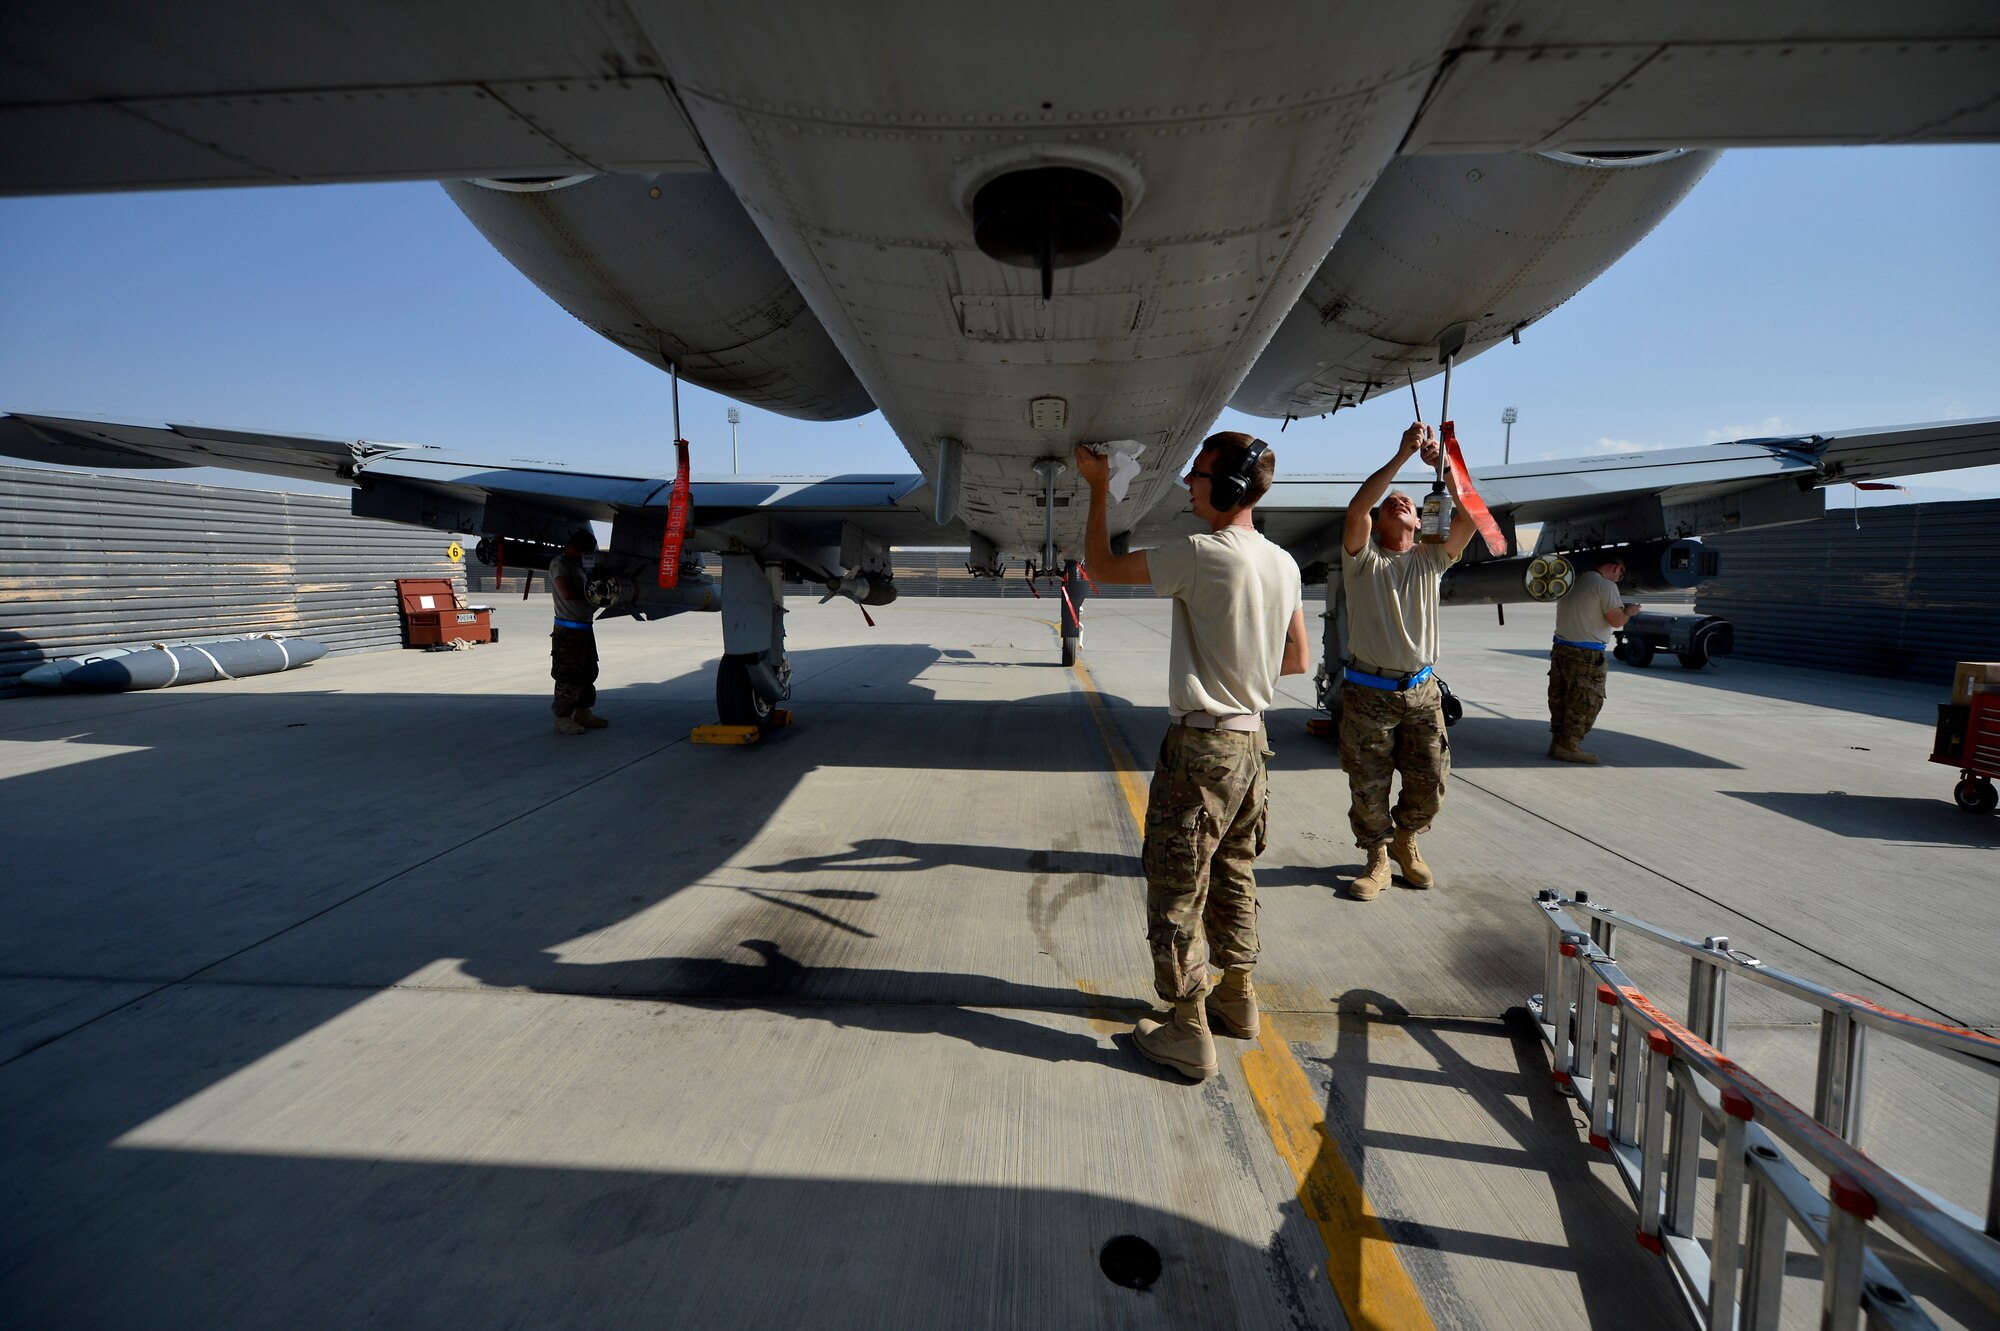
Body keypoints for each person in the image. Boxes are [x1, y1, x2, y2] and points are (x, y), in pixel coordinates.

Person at [1075, 433, 1310, 1082]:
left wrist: (1098, 487)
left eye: (1199, 475)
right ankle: (1238, 997)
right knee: (1235, 872)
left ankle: (1187, 1027)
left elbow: (1099, 564)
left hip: (1202, 746)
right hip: (1252, 744)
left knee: (1177, 887)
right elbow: (1296, 658)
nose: (1188, 484)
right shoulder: (1282, 564)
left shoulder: (1202, 555)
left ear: (1229, 486)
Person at [1337, 422, 1477, 901]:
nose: (1401, 501)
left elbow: (1471, 516)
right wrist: (1400, 456)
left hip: (1421, 690)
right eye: (1392, 501)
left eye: (1411, 504)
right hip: (1367, 691)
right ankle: (1376, 858)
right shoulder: (1362, 560)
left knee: (1432, 780)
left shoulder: (1430, 560)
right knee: (1368, 783)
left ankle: (1405, 840)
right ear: (1378, 521)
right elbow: (1357, 507)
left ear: (1421, 523)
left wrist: (1441, 465)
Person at [1548, 555, 1639, 764]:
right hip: (1586, 654)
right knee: (1586, 701)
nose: (1619, 579)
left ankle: (1557, 742)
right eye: (1621, 575)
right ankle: (1569, 746)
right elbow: (1616, 620)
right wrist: (1630, 612)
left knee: (1561, 698)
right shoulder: (1605, 586)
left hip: (1562, 648)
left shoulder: (1575, 581)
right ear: (1616, 568)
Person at [549, 528, 607, 735]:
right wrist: (592, 595)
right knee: (568, 675)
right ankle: (563, 718)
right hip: (568, 630)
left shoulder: (581, 563)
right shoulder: (560, 564)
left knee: (588, 671)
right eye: (584, 551)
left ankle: (583, 712)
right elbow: (566, 592)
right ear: (574, 548)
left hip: (584, 627)